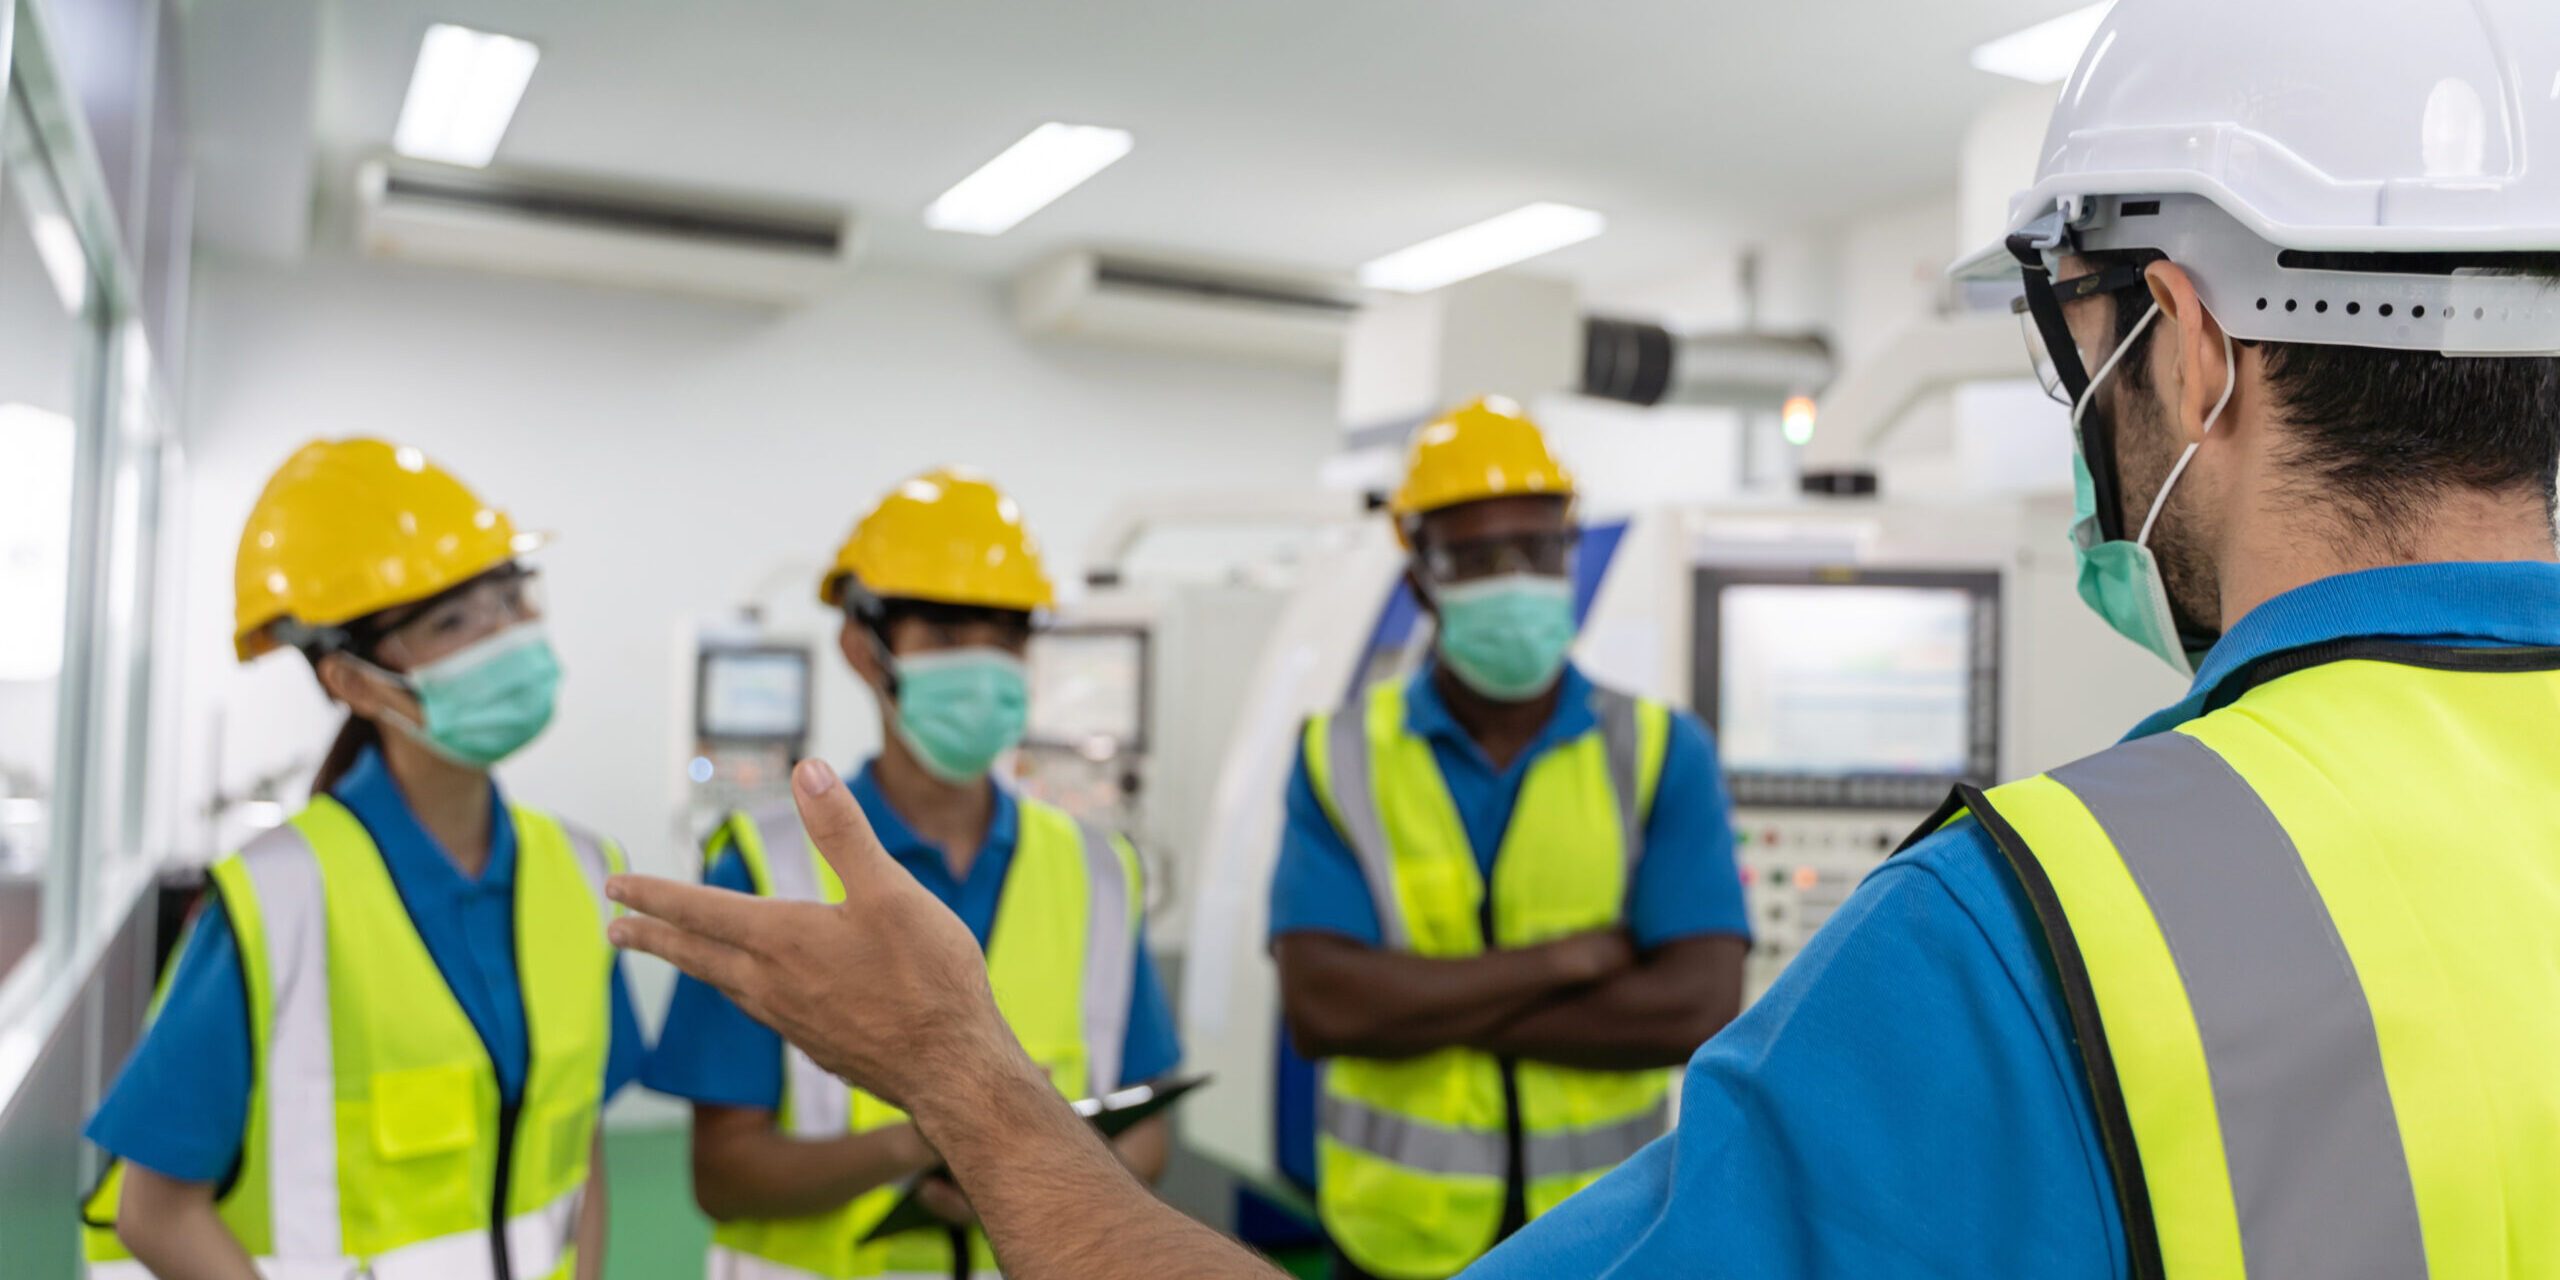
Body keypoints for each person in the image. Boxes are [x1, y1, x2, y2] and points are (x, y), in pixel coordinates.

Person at [603, 0, 2560, 1273]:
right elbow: (1341, 1000)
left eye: (2081, 347)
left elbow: (1605, 987)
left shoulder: (2032, 932)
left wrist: (957, 1069)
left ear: (2185, 339)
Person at [83, 439, 647, 1280]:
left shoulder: (582, 870)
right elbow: (153, 1212)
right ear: (353, 680)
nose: (505, 638)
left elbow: (577, 1147)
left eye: (510, 600)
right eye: (454, 621)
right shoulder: (273, 902)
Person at [640, 467, 1181, 1280]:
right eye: (948, 631)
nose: (984, 663)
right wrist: (933, 1137)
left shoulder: (1097, 870)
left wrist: (1025, 1168)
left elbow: (1149, 1131)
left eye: (1005, 634)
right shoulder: (765, 865)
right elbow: (725, 1175)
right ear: (865, 648)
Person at [1269, 397, 1746, 1280]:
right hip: (1397, 1240)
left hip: (1607, 1232)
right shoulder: (1338, 755)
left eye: (1539, 547)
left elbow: (1698, 1007)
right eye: (1478, 556)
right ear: (1421, 579)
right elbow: (1325, 1009)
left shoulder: (1659, 750)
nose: (1515, 575)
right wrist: (1564, 963)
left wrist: (1421, 1006)